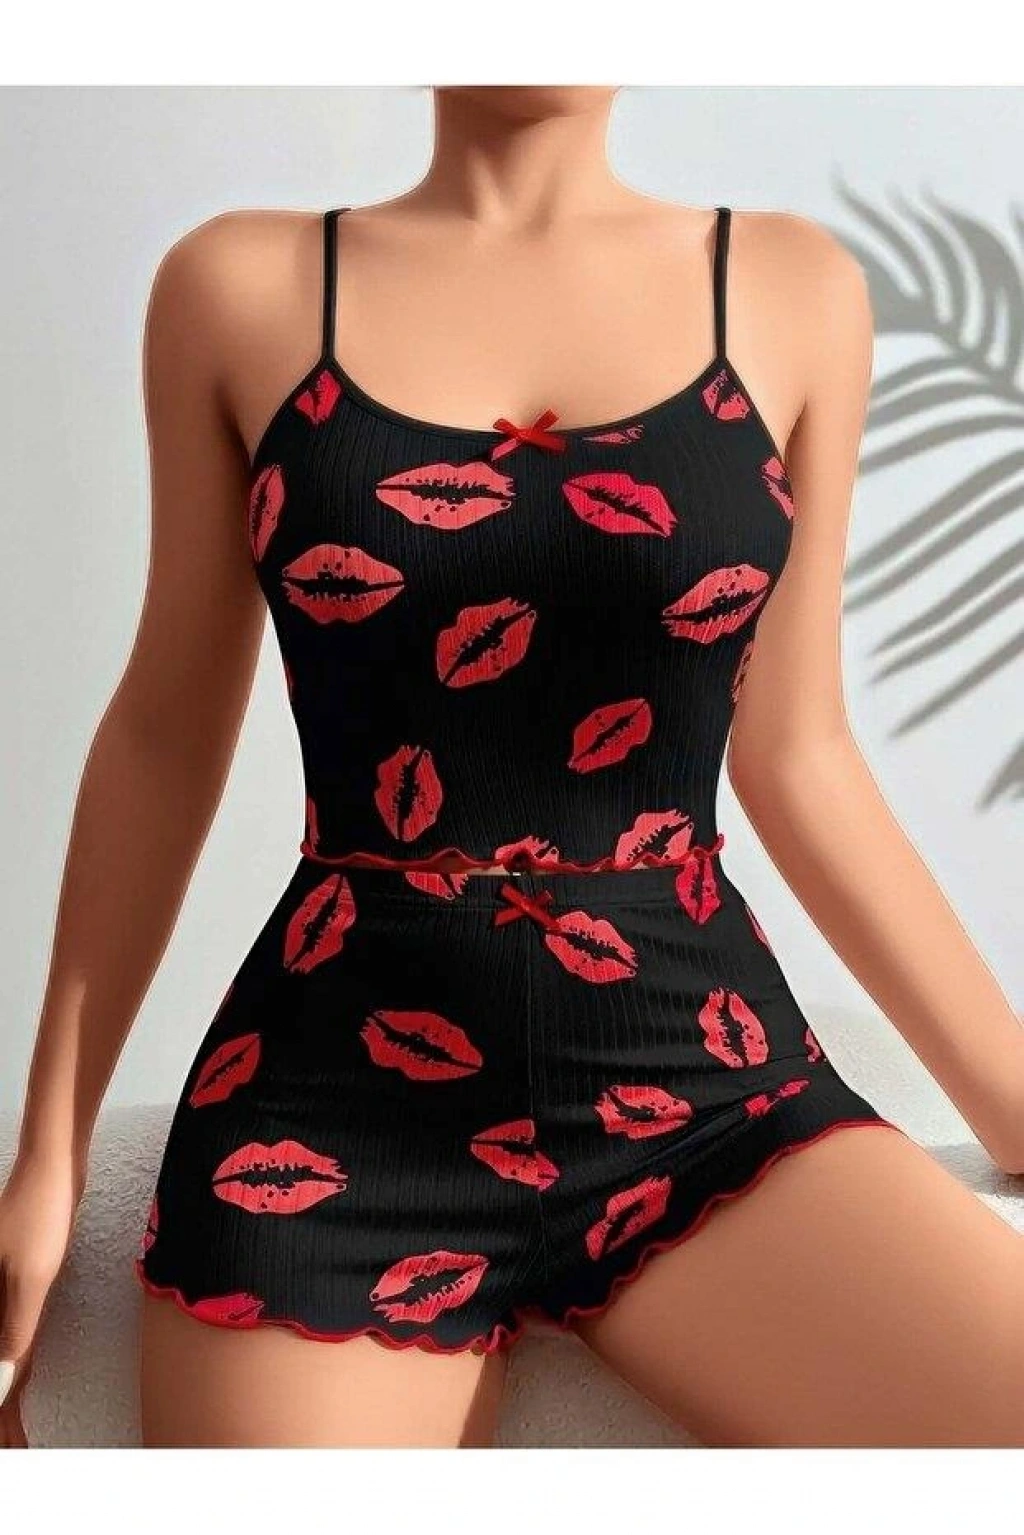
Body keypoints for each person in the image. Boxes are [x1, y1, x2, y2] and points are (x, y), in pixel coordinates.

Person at [1, 85, 1022, 1451]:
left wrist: (1013, 1099)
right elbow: (163, 731)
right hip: (331, 1114)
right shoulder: (241, 287)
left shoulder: (789, 288)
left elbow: (800, 750)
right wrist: (49, 1157)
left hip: (702, 1088)